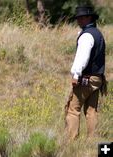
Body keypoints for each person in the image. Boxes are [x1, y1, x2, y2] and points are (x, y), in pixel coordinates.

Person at [65, 5, 106, 139]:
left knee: (73, 110)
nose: (78, 20)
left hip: (86, 79)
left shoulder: (86, 35)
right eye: (78, 18)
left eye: (81, 17)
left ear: (89, 18)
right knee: (91, 111)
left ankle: (72, 141)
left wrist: (76, 75)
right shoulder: (97, 33)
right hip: (97, 79)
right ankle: (91, 141)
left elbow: (82, 57)